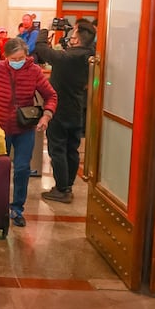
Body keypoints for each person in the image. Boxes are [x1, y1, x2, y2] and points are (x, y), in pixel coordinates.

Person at [0, 37, 57, 227]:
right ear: (6, 57)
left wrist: (46, 116)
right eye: (13, 59)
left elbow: (51, 95)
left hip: (24, 129)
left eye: (20, 57)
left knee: (22, 169)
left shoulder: (35, 71)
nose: (17, 62)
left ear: (26, 56)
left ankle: (17, 208)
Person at [35, 23, 96, 203]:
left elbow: (40, 47)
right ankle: (67, 185)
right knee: (72, 149)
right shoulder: (91, 56)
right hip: (77, 108)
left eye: (73, 35)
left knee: (58, 149)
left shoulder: (65, 57)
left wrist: (46, 28)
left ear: (76, 39)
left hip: (59, 109)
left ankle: (61, 189)